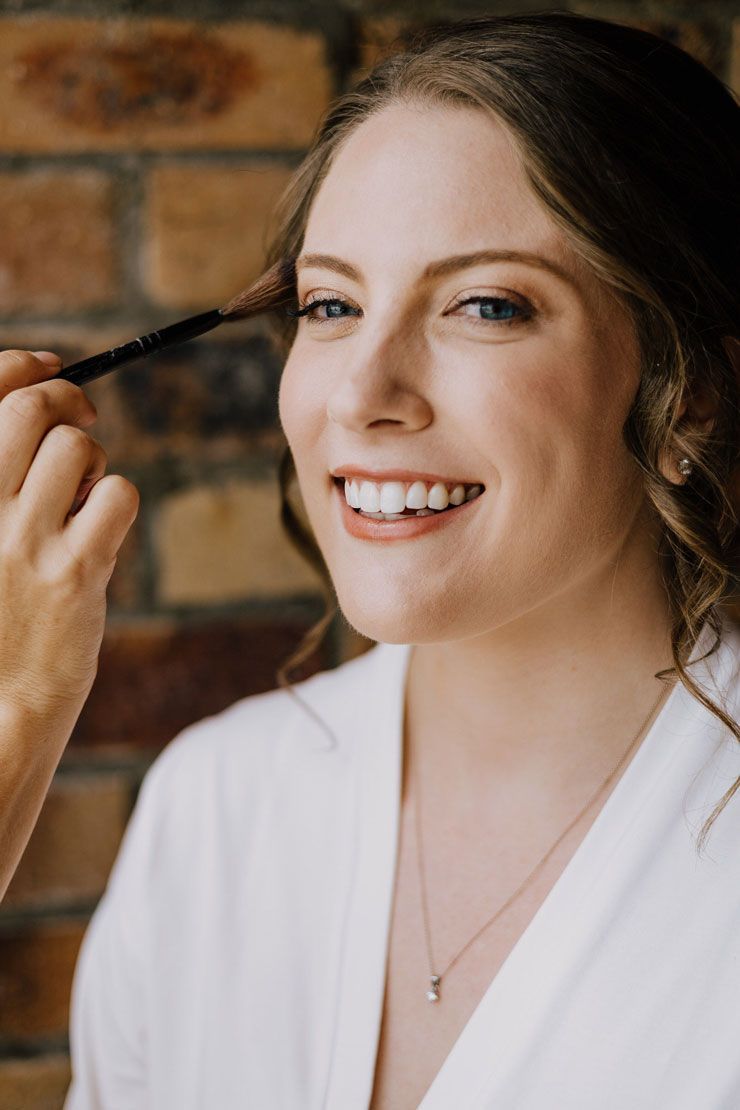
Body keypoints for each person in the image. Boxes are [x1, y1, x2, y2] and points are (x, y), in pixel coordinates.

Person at [1, 10, 736, 1109]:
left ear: (691, 396)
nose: (357, 394)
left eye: (485, 305)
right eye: (330, 305)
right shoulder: (213, 808)